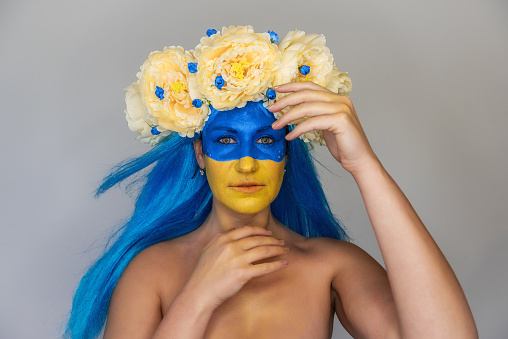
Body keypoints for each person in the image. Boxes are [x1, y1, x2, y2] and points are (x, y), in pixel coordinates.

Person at [66, 26, 478, 338]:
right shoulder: (152, 271)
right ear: (199, 154)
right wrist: (199, 296)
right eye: (226, 141)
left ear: (286, 155)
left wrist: (364, 165)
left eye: (265, 140)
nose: (247, 163)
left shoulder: (329, 266)